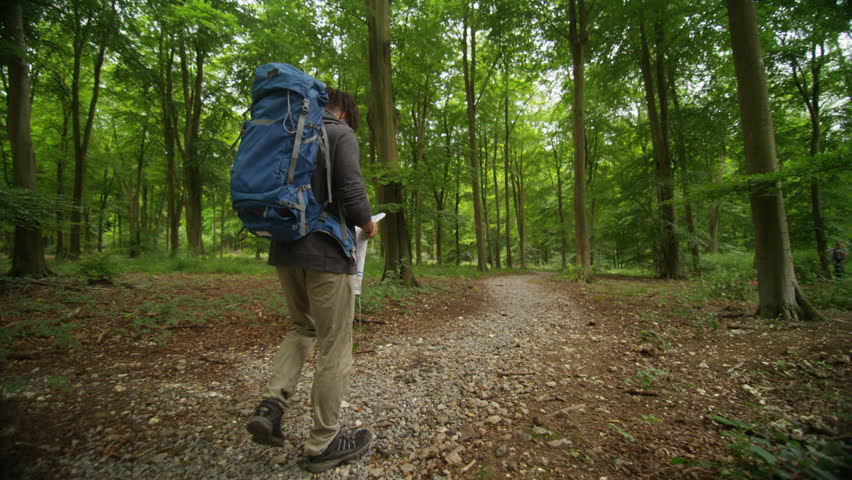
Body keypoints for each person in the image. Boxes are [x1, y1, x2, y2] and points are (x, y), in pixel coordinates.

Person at [246, 86, 377, 473]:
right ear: (347, 114)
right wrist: (367, 222)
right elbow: (352, 192)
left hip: (285, 249)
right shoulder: (339, 132)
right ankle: (323, 443)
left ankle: (272, 405)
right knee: (335, 343)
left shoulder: (288, 132)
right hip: (325, 252)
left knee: (301, 328)